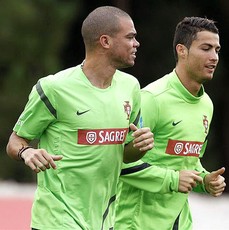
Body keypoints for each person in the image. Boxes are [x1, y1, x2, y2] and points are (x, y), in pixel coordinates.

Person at [6, 6, 155, 230]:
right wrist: (27, 152)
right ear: (105, 41)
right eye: (130, 37)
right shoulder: (54, 88)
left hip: (104, 220)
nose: (136, 43)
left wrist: (140, 146)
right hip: (56, 220)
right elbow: (14, 142)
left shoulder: (130, 87)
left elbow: (124, 153)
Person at [115, 17, 226, 230]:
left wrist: (205, 181)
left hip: (180, 223)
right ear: (181, 50)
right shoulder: (152, 99)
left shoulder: (206, 104)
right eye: (206, 48)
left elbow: (188, 163)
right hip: (137, 223)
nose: (214, 57)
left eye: (217, 50)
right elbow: (117, 162)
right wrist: (173, 180)